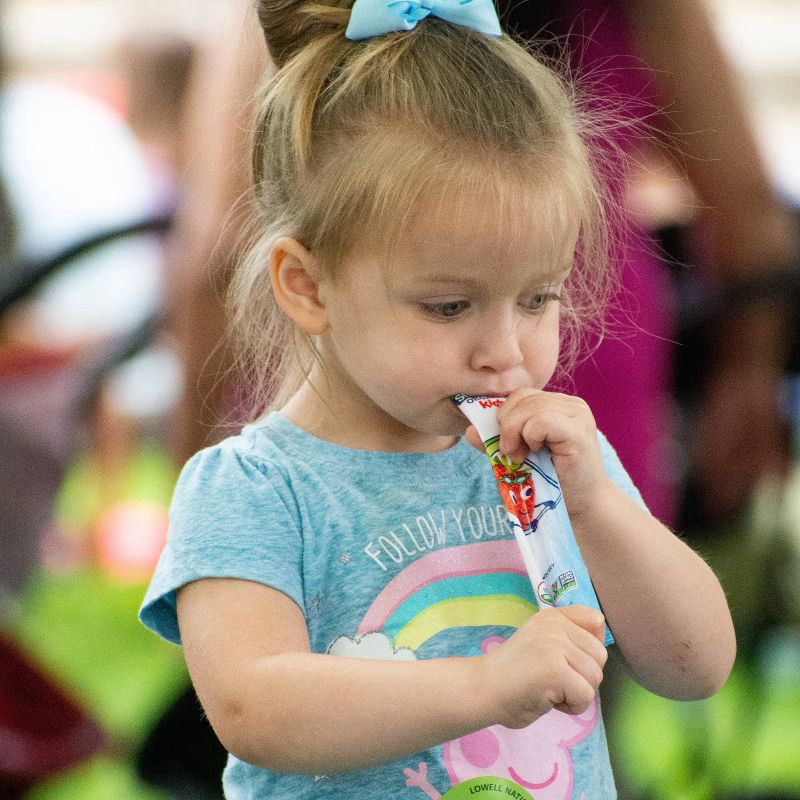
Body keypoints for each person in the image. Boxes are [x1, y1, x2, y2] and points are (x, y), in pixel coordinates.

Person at [140, 4, 736, 798]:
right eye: (449, 307)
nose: (505, 352)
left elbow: (697, 664)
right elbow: (255, 708)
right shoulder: (254, 491)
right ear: (308, 286)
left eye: (537, 299)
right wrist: (487, 688)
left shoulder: (561, 474)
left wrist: (599, 506)